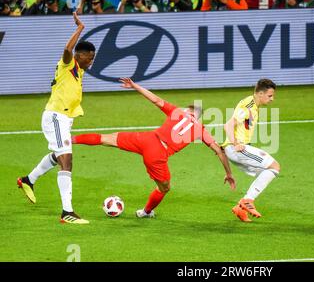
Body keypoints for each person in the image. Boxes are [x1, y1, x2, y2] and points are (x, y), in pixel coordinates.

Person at [71, 78, 236, 218]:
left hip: (147, 138)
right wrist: (229, 173)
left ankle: (69, 139)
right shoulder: (201, 129)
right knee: (165, 188)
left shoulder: (178, 111)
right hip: (157, 154)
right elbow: (219, 151)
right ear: (199, 117)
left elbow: (155, 100)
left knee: (106, 139)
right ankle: (145, 212)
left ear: (187, 110)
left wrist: (135, 86)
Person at [17, 13, 95, 224]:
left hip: (64, 119)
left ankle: (28, 180)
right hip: (55, 117)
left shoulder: (79, 71)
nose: (92, 61)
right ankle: (67, 212)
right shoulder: (68, 65)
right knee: (66, 161)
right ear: (80, 55)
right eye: (90, 57)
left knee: (58, 156)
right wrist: (80, 28)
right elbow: (68, 50)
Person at [223, 79, 280, 222]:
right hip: (237, 148)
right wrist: (236, 143)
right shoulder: (249, 106)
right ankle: (247, 200)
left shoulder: (253, 105)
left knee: (266, 173)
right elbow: (228, 125)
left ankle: (240, 208)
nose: (272, 99)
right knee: (274, 166)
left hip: (236, 149)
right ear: (260, 93)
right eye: (270, 96)